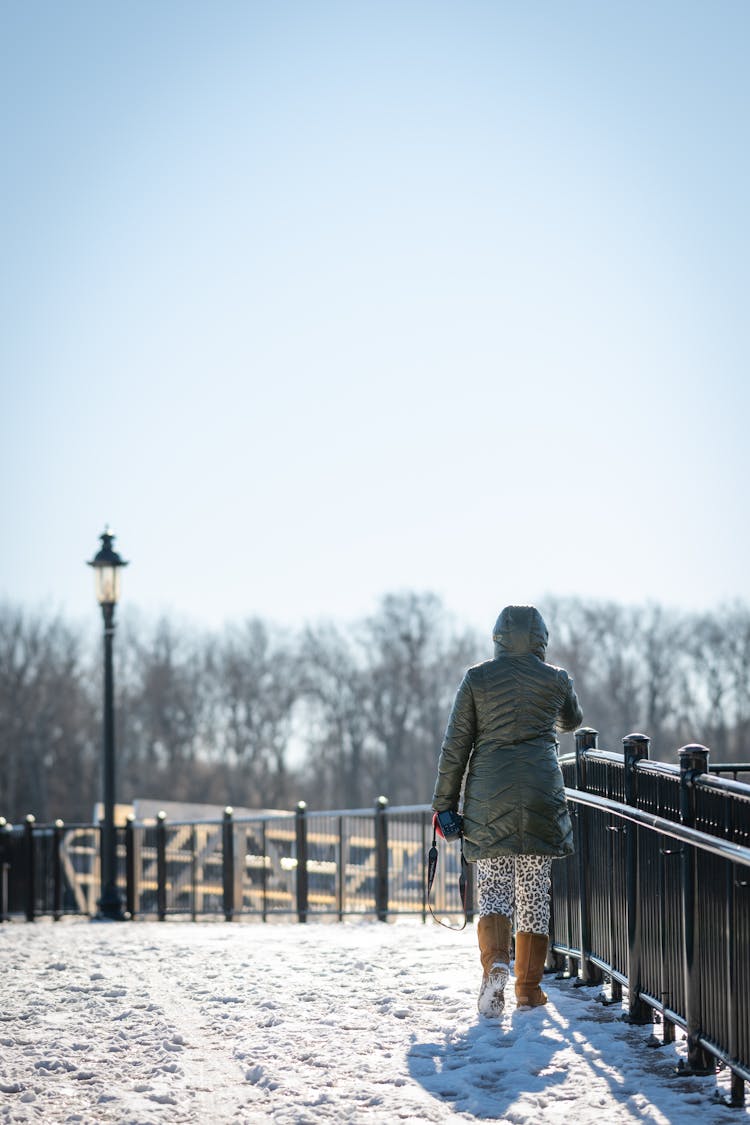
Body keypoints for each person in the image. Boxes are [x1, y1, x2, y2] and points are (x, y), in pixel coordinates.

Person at [431, 604, 582, 1016]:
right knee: (533, 892)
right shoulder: (556, 680)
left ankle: (496, 964)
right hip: (540, 798)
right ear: (541, 640)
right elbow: (572, 720)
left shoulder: (477, 679)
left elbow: (456, 745)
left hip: (488, 798)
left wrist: (444, 805)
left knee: (495, 891)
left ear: (497, 637)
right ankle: (529, 990)